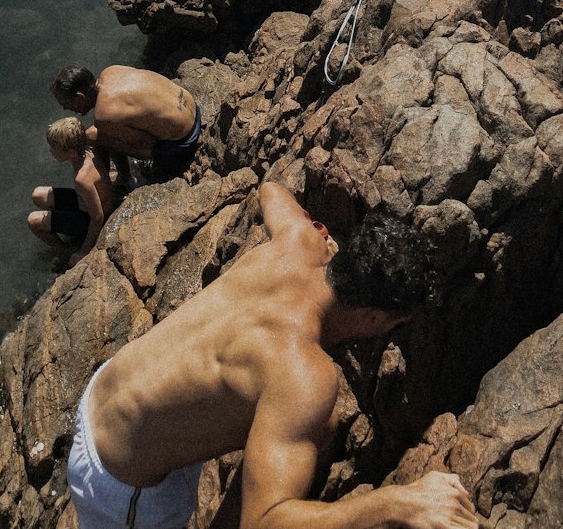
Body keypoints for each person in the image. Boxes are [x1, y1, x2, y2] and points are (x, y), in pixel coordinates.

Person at [67, 182, 478, 529]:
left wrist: (315, 230)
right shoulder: (304, 373)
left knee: (320, 425)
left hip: (107, 392)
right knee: (308, 417)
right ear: (372, 315)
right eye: (394, 323)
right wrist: (397, 503)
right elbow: (264, 523)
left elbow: (270, 190)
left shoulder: (299, 241)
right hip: (119, 481)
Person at [52, 64, 201, 183]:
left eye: (66, 103)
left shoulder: (103, 116)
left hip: (184, 141)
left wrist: (115, 137)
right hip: (193, 108)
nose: (66, 108)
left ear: (79, 97)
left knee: (94, 136)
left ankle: (123, 179)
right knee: (107, 131)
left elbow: (147, 143)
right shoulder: (111, 71)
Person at [29, 117, 116, 267]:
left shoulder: (82, 179)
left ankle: (66, 251)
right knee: (38, 195)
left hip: (87, 218)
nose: (51, 151)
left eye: (54, 148)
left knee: (33, 220)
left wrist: (84, 252)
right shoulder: (88, 150)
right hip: (82, 201)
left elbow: (97, 217)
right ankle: (60, 224)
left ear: (70, 151)